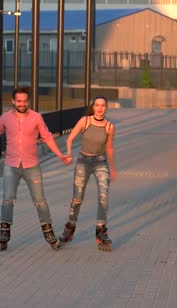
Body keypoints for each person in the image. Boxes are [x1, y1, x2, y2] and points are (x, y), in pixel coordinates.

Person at [0, 87, 71, 250]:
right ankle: (5, 232)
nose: (22, 104)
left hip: (32, 165)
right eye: (19, 101)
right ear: (13, 101)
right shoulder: (5, 118)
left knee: (40, 201)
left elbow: (47, 137)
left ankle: (48, 231)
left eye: (25, 101)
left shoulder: (36, 117)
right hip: (12, 165)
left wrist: (60, 155)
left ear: (28, 101)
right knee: (8, 199)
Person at [58, 96, 116, 251]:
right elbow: (70, 139)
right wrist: (69, 153)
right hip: (83, 162)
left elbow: (109, 148)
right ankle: (70, 227)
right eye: (97, 105)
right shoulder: (85, 121)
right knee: (77, 199)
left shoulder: (109, 126)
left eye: (103, 105)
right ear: (93, 107)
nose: (99, 108)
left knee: (103, 197)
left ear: (106, 108)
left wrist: (113, 168)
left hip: (101, 163)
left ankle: (101, 230)